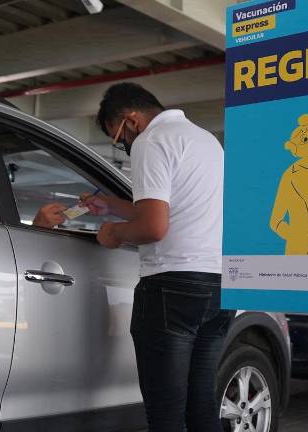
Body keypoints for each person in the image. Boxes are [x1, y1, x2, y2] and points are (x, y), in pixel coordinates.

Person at [83, 82, 232, 432]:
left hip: (172, 287)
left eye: (119, 137)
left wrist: (113, 233)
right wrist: (111, 207)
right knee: (201, 409)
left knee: (166, 415)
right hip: (220, 284)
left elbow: (152, 227)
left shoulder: (151, 141)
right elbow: (174, 208)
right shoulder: (205, 140)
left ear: (131, 120)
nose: (123, 145)